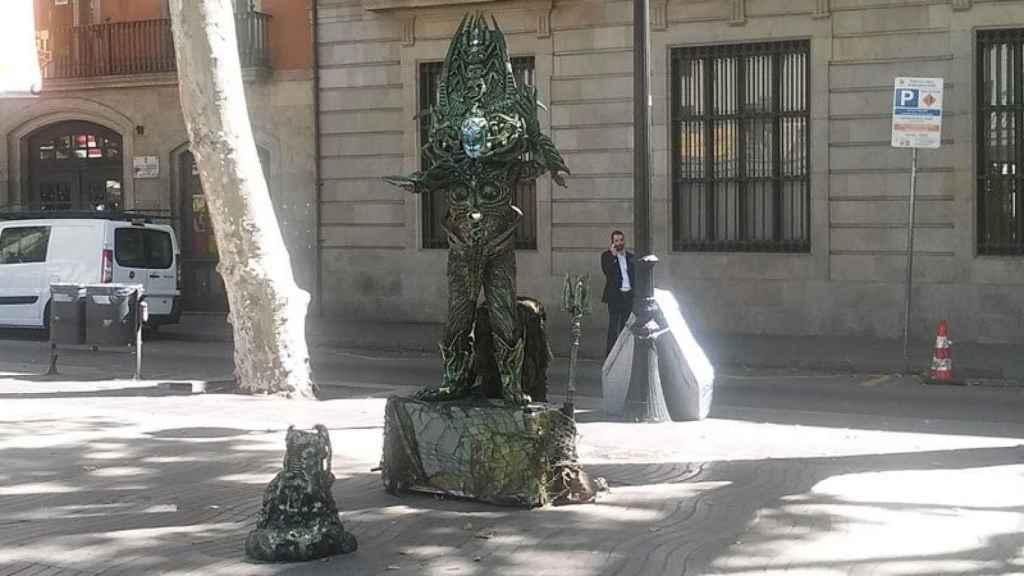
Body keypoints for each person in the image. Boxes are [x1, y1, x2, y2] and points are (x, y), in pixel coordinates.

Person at [601, 230, 635, 356]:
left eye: (621, 240)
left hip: (628, 296)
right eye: (616, 241)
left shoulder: (631, 257)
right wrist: (613, 256)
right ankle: (610, 355)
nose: (619, 243)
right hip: (615, 296)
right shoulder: (606, 256)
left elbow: (634, 276)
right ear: (612, 243)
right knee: (613, 327)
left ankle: (623, 355)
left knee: (625, 327)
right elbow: (607, 272)